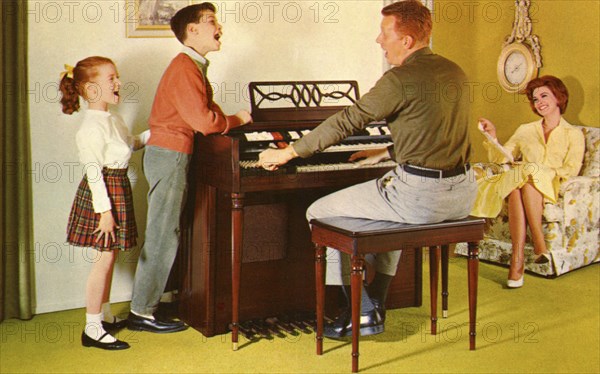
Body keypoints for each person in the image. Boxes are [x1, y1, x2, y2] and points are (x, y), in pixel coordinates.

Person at [258, 0, 476, 338]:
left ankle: (362, 312)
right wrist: (386, 149)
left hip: (420, 199)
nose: (378, 40)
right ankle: (376, 303)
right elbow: (437, 130)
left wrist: (290, 152)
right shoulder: (454, 72)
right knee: (382, 219)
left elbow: (348, 120)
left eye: (384, 32)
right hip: (462, 194)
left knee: (320, 211)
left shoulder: (399, 79)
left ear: (406, 40)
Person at [127, 2, 252, 333]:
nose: (219, 28)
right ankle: (141, 311)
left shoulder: (193, 66)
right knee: (163, 233)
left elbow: (206, 110)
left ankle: (152, 304)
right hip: (170, 155)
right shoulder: (185, 67)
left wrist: (224, 120)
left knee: (168, 231)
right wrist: (237, 119)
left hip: (173, 154)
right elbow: (204, 121)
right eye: (212, 22)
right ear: (192, 31)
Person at [61, 56, 150, 350]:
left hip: (118, 187)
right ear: (90, 89)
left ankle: (106, 315)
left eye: (117, 77)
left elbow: (132, 143)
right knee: (103, 259)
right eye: (111, 78)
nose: (118, 83)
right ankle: (92, 327)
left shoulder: (113, 118)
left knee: (109, 256)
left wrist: (159, 131)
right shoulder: (90, 128)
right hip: (104, 193)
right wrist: (105, 212)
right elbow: (93, 172)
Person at [472, 75, 585, 288]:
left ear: (558, 97)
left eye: (544, 96)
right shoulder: (525, 130)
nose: (539, 102)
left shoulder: (573, 134)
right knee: (521, 180)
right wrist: (493, 138)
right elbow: (505, 157)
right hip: (521, 180)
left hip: (551, 183)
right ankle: (531, 250)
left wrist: (540, 171)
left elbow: (571, 170)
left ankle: (518, 259)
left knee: (526, 175)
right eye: (535, 99)